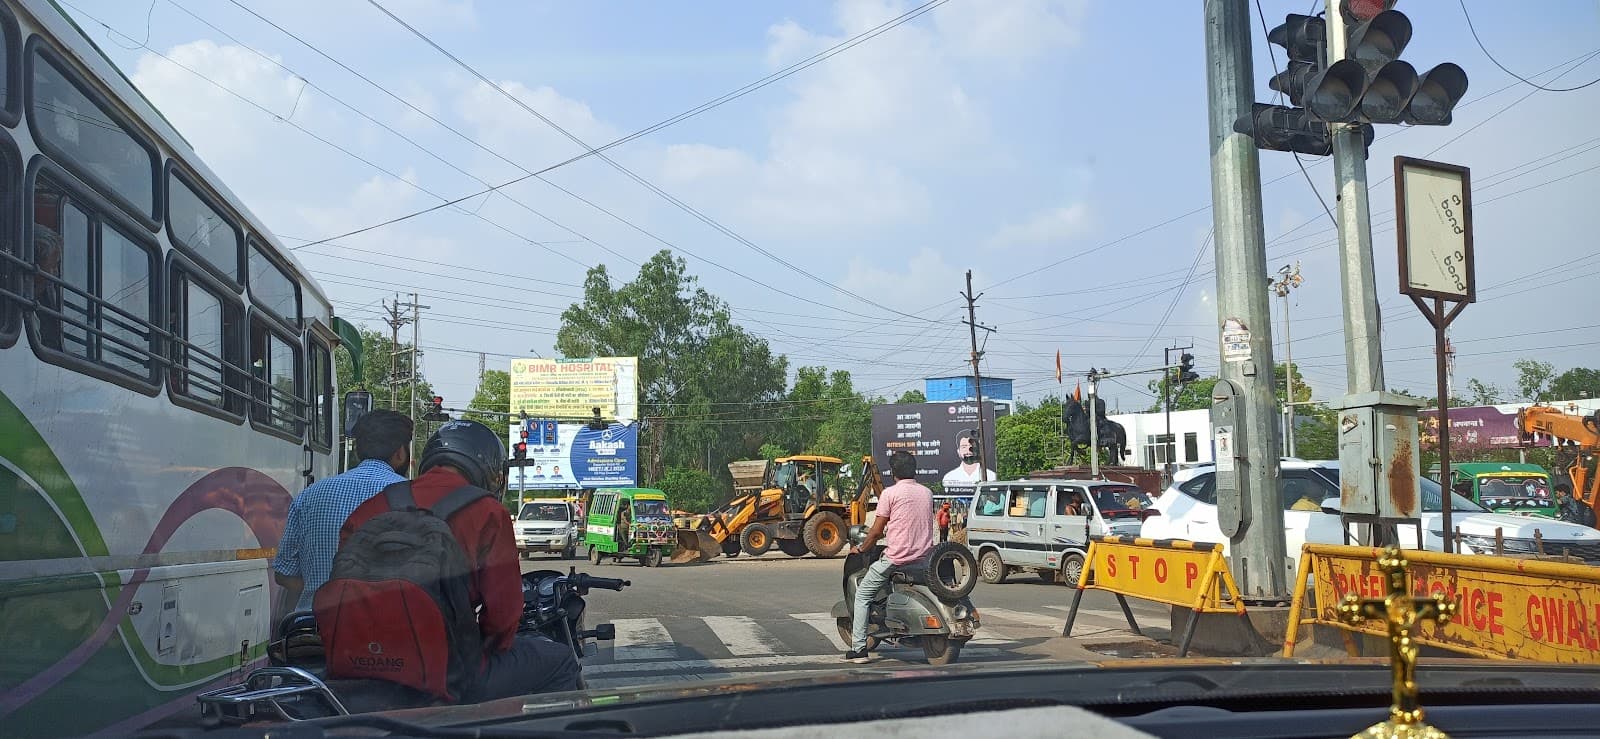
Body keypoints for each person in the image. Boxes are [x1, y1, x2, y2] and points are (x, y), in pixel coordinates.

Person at [339, 420, 581, 698]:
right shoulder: (488, 512)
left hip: (363, 664)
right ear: (488, 467)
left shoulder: (371, 507)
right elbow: (502, 616)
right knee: (560, 660)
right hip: (448, 672)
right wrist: (482, 649)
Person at [272, 410, 411, 614]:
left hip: (314, 630)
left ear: (356, 451)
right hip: (385, 632)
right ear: (400, 452)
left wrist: (324, 591)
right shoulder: (413, 497)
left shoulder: (309, 496)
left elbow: (284, 574)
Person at [845, 450, 935, 663]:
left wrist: (861, 549)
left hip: (897, 559)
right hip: (924, 558)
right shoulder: (927, 492)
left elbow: (875, 532)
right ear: (914, 470)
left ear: (893, 472)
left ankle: (859, 650)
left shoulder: (889, 494)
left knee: (863, 595)